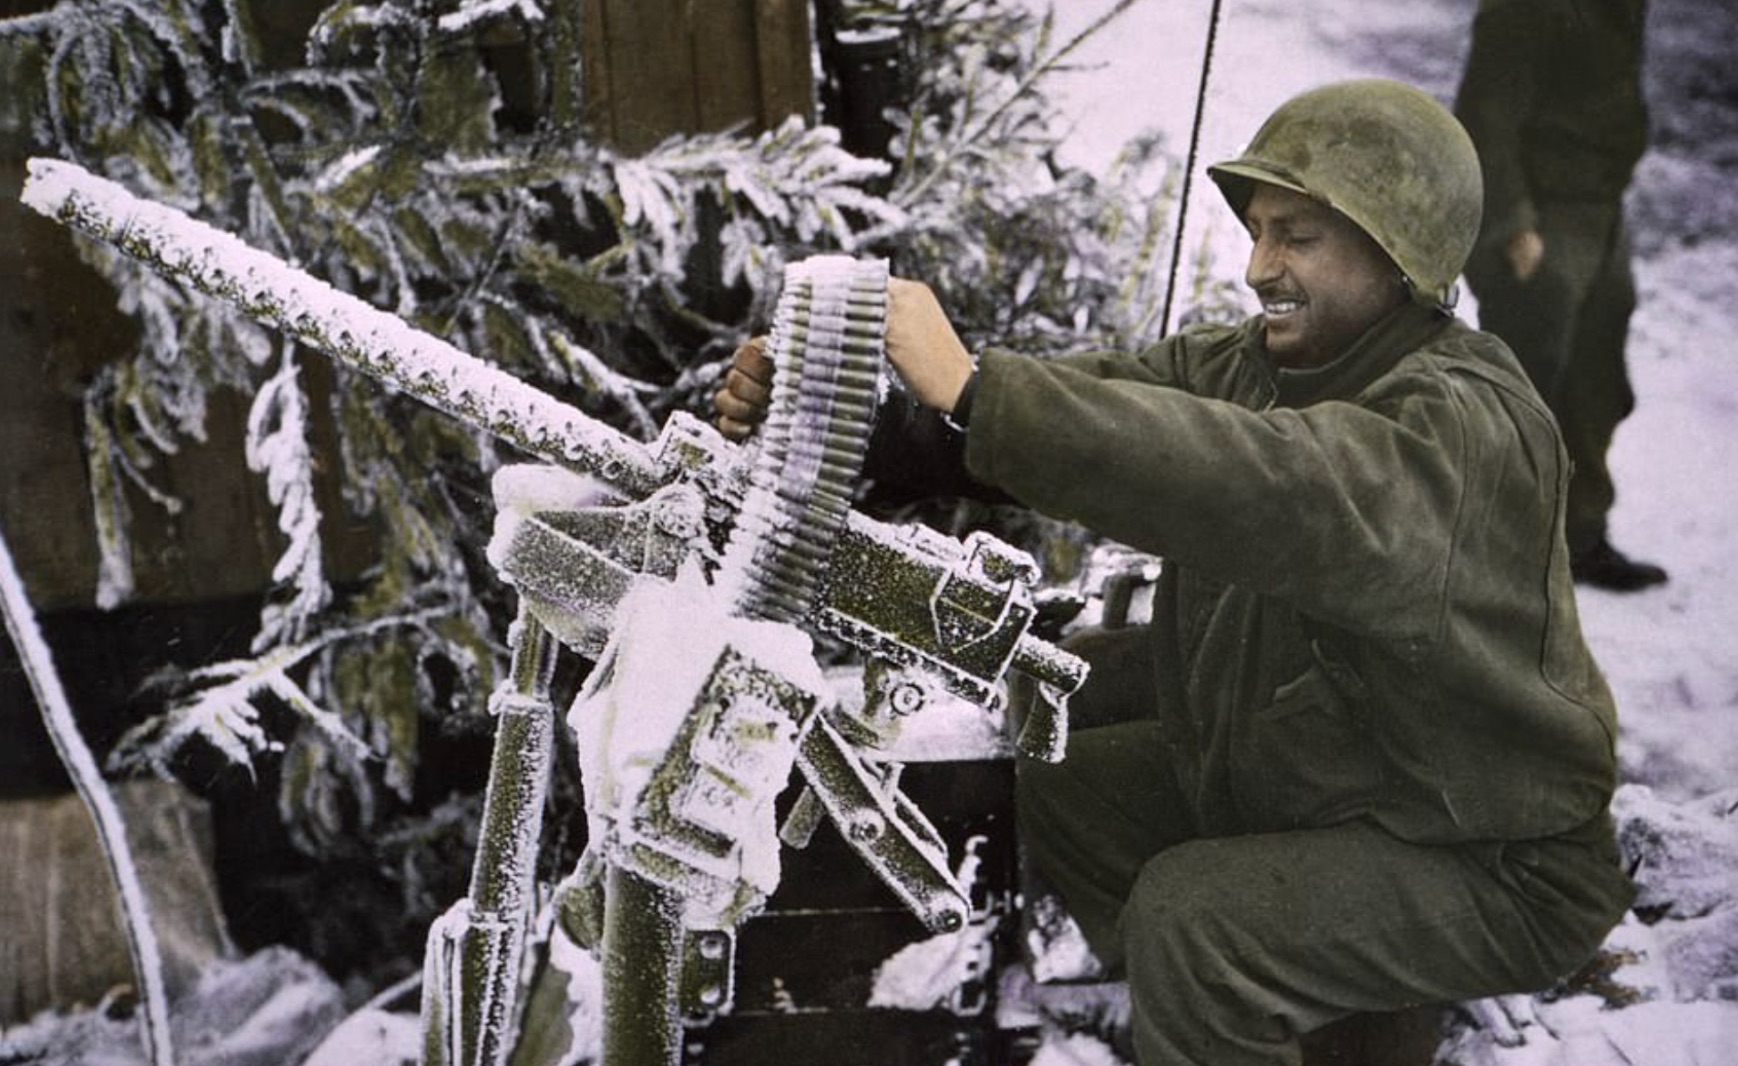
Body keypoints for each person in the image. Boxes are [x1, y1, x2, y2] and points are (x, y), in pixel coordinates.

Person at [715, 79, 1634, 1066]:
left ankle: (1264, 999)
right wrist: (875, 426)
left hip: (1490, 855)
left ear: (1394, 247)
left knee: (1196, 925)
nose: (1256, 267)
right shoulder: (1266, 362)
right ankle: (1314, 1019)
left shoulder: (1462, 422)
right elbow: (1109, 408)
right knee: (1062, 764)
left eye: (1297, 237)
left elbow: (1262, 484)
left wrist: (981, 392)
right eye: (1258, 231)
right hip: (1348, 771)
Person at [1454, 0, 1665, 591]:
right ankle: (1487, 559)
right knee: (1523, 392)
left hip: (1600, 211)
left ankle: (1579, 538)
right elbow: (1485, 115)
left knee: (1597, 384)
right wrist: (1513, 224)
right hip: (1540, 220)